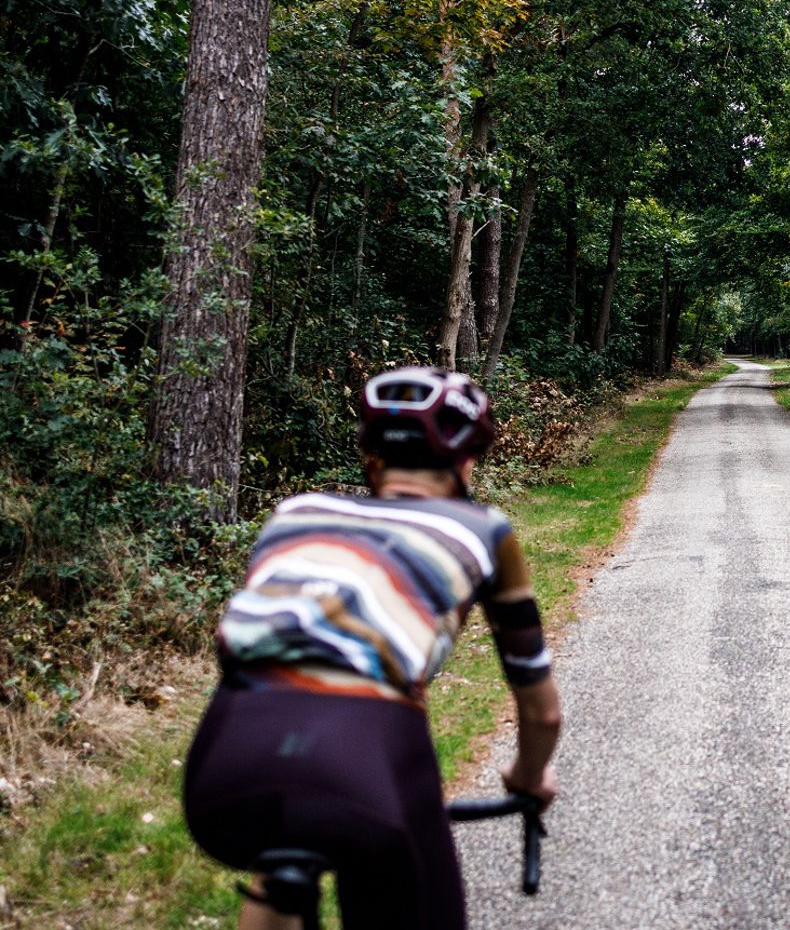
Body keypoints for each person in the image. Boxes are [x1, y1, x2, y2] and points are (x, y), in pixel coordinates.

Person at [183, 366, 563, 930]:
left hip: (226, 766)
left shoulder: (295, 512)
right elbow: (542, 709)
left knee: (280, 862)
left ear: (370, 453)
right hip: (364, 753)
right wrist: (528, 776)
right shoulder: (483, 530)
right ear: (467, 462)